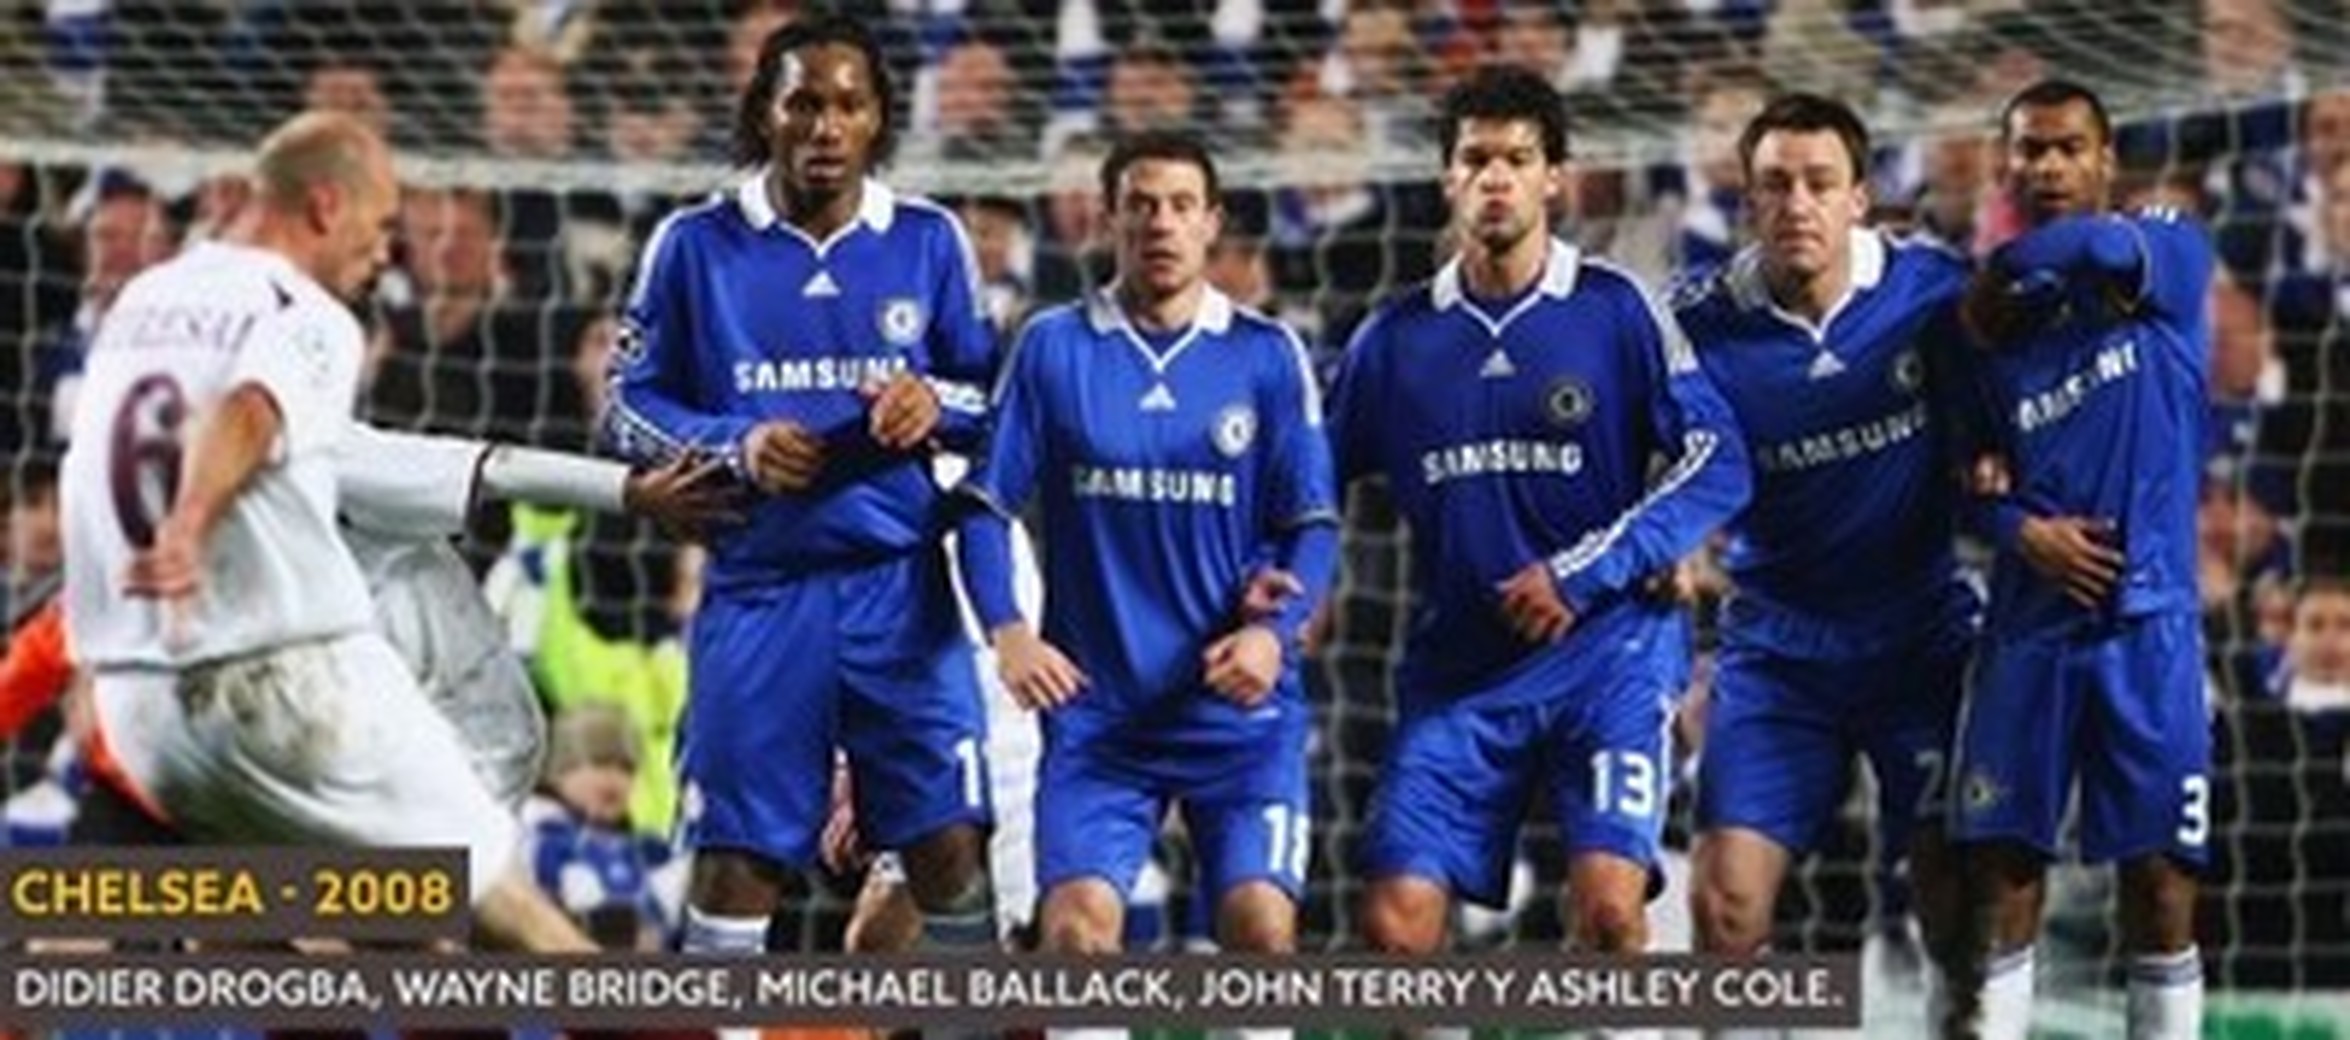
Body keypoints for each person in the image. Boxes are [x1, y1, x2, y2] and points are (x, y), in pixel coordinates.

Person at [56, 112, 590, 952]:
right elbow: (249, 411)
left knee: (225, 929)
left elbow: (89, 469)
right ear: (326, 205)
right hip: (282, 676)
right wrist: (190, 525)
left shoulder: (142, 299)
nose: (386, 253)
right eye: (381, 225)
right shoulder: (307, 314)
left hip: (142, 697)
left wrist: (96, 650)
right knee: (502, 915)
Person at [1322, 65, 1750, 955]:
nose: (1495, 178)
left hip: (1611, 652)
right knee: (1394, 926)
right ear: (1447, 177)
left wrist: (1588, 571)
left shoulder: (1616, 307)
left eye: (1517, 159)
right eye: (1476, 158)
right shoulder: (1393, 339)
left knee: (1608, 913)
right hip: (1463, 666)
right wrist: (1280, 587)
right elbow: (1306, 485)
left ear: (1554, 177)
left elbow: (1720, 458)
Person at [606, 13, 1001, 956]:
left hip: (900, 588)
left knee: (949, 848)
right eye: (804, 104)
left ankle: (974, 1019)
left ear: (878, 119)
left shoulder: (929, 239)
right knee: (737, 859)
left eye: (848, 106)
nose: (826, 127)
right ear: (766, 115)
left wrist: (930, 402)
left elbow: (994, 400)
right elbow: (625, 406)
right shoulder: (693, 244)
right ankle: (722, 1019)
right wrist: (737, 444)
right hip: (761, 587)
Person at [954, 130, 1338, 965]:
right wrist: (1009, 632)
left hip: (1238, 716)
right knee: (1073, 937)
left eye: (1181, 206)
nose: (1161, 223)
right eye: (1141, 205)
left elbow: (1312, 523)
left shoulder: (1266, 354)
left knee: (1263, 934)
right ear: (1109, 219)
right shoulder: (1054, 345)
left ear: (1211, 223)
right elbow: (981, 507)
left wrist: (1274, 634)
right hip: (1101, 720)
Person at [1669, 93, 1976, 1022]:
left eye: (1818, 182)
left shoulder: (1933, 288)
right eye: (1775, 184)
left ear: (1860, 198)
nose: (1796, 203)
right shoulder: (1698, 324)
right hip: (1777, 651)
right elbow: (1654, 467)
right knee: (1725, 907)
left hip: (1919, 636)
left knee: (1955, 900)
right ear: (1747, 201)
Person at [1953, 79, 2215, 1040]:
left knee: (2162, 880)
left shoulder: (2163, 251)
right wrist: (2022, 532)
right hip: (2027, 630)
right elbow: (1963, 481)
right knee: (2004, 876)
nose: (2049, 165)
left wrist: (1995, 268)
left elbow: (2099, 247)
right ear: (2006, 164)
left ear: (2107, 159)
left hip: (2150, 627)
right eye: (2030, 149)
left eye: (2068, 147)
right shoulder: (1996, 334)